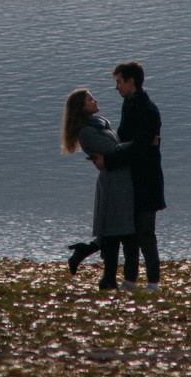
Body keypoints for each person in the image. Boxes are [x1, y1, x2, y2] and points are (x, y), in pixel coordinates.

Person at [59, 86, 137, 288]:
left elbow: (113, 151)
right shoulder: (87, 132)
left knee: (115, 231)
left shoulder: (99, 125)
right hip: (113, 184)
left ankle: (88, 256)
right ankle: (108, 279)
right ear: (82, 108)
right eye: (90, 99)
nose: (95, 101)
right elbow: (111, 150)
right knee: (113, 232)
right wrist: (138, 144)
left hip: (120, 181)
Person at [113, 60, 165, 290]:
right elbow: (124, 139)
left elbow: (139, 147)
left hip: (146, 181)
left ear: (130, 81)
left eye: (119, 82)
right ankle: (130, 280)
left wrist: (111, 158)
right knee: (129, 234)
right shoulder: (129, 105)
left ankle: (153, 282)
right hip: (130, 179)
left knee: (146, 233)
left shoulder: (147, 109)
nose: (117, 87)